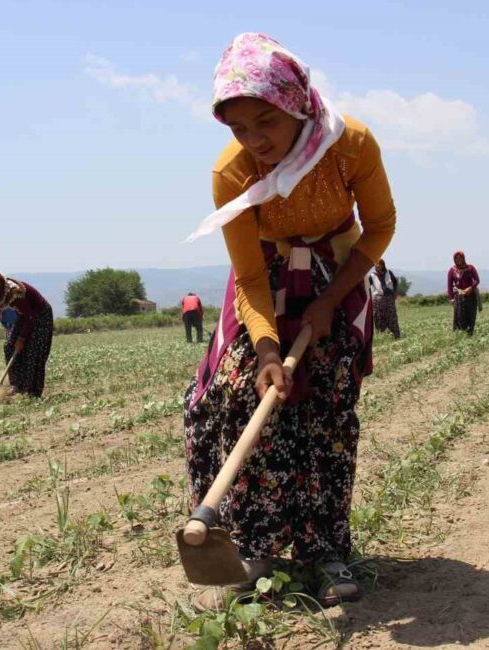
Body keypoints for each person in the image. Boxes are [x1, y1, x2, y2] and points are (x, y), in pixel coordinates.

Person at [182, 33, 396, 607]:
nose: (254, 141)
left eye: (264, 123)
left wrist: (328, 304)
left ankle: (326, 551)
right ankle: (255, 548)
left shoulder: (350, 144)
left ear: (296, 104)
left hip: (337, 267)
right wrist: (269, 351)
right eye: (237, 129)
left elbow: (378, 228)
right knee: (230, 395)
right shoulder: (233, 171)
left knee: (324, 397)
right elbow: (251, 279)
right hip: (266, 278)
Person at [0, 270, 54, 397]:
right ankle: (17, 385)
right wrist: (17, 338)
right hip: (25, 317)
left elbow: (30, 316)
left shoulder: (15, 294)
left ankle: (32, 391)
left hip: (40, 316)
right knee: (9, 345)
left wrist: (22, 339)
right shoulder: (3, 294)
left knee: (34, 352)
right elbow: (23, 315)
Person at [447, 251, 480, 335]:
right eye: (456, 258)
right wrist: (451, 298)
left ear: (463, 258)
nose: (458, 260)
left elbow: (477, 280)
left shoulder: (470, 268)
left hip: (471, 296)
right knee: (459, 316)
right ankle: (459, 334)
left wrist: (471, 288)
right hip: (459, 297)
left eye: (460, 258)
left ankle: (469, 334)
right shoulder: (452, 271)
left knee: (471, 315)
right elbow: (449, 286)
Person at [369, 259, 401, 339]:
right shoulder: (372, 276)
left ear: (383, 265)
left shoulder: (389, 273)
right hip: (378, 300)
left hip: (389, 298)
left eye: (379, 264)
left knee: (392, 316)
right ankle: (382, 336)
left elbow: (395, 282)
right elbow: (367, 288)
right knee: (379, 317)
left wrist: (395, 293)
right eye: (376, 264)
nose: (377, 266)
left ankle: (396, 335)